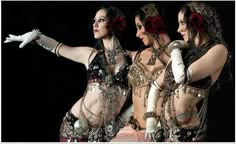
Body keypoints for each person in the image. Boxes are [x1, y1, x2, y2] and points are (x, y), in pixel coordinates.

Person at [4, 6, 133, 142]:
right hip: (75, 128)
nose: (94, 24)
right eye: (94, 20)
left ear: (114, 23)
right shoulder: (90, 55)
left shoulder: (131, 59)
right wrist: (36, 36)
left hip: (103, 135)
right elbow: (57, 47)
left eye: (100, 20)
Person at [144, 1, 232, 142]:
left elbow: (181, 77)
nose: (178, 30)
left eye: (182, 23)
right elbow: (155, 85)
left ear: (195, 23)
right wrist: (150, 118)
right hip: (166, 133)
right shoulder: (184, 53)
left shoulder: (219, 50)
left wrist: (174, 49)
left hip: (190, 135)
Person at [111, 3, 171, 142]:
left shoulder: (176, 55)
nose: (137, 34)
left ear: (152, 24)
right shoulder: (138, 54)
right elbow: (112, 52)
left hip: (159, 133)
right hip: (133, 129)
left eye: (139, 27)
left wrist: (159, 41)